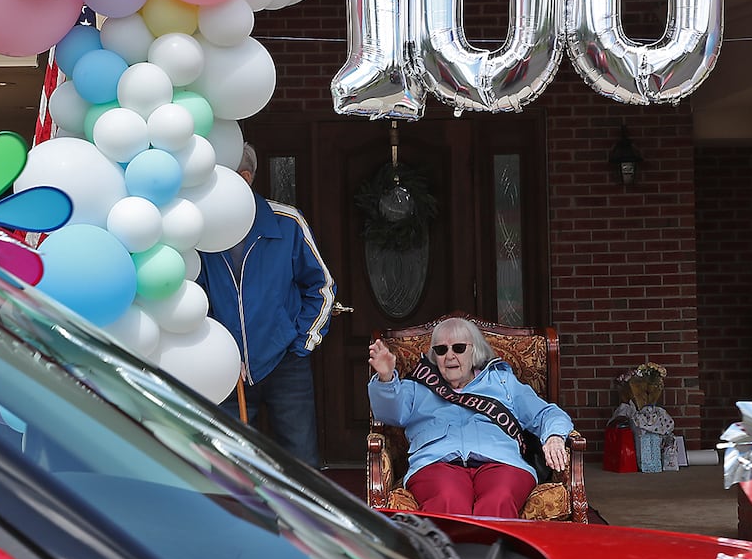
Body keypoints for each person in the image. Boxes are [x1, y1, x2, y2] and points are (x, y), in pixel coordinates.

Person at [198, 143, 336, 467]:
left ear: (244, 178)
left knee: (301, 459)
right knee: (229, 463)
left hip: (285, 363)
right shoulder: (200, 229)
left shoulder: (286, 221)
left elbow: (322, 287)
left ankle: (304, 519)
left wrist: (300, 343)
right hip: (226, 367)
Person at [367, 316, 574, 518]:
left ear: (474, 350)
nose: (449, 356)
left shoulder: (502, 382)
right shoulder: (418, 387)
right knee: (448, 501)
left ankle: (496, 553)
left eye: (458, 348)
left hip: (502, 461)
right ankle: (449, 554)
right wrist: (386, 379)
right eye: (441, 350)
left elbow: (547, 413)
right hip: (436, 462)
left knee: (498, 500)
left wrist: (554, 436)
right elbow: (387, 413)